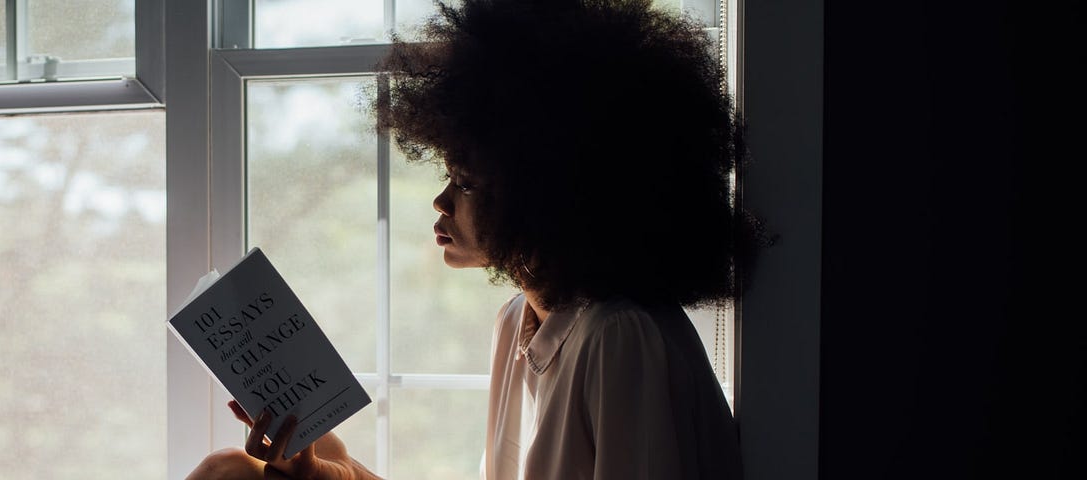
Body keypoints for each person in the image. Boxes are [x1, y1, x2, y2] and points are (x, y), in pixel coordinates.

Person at [186, 0, 768, 478]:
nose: (440, 202)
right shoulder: (520, 320)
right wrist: (317, 471)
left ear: (545, 194)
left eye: (465, 182)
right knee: (242, 468)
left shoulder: (620, 337)